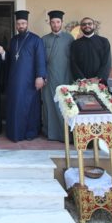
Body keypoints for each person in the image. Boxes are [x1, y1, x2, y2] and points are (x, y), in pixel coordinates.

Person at [5, 10, 47, 142]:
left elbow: (41, 59)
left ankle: (29, 132)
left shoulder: (36, 39)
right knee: (15, 105)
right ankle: (14, 132)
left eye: (23, 23)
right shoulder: (13, 40)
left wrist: (40, 76)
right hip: (14, 79)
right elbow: (10, 59)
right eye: (18, 24)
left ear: (27, 23)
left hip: (29, 80)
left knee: (29, 106)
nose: (21, 26)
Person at [41, 10, 74, 142]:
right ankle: (50, 133)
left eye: (58, 22)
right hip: (49, 78)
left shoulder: (69, 38)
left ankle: (66, 134)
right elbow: (41, 60)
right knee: (49, 104)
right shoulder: (44, 39)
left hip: (66, 77)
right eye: (53, 22)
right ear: (50, 23)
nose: (55, 24)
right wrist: (42, 76)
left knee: (65, 105)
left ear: (62, 22)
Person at [70, 17, 112, 83]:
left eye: (89, 24)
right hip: (81, 81)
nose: (87, 26)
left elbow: (107, 62)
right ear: (81, 27)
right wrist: (82, 79)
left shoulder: (104, 41)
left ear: (94, 26)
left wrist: (98, 77)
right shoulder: (75, 44)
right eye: (84, 24)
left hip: (99, 81)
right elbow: (73, 63)